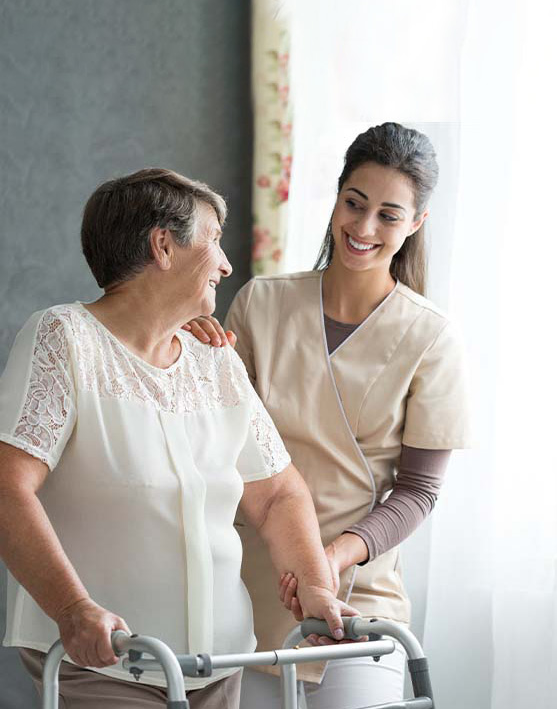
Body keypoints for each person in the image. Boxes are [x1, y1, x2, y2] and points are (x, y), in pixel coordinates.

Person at [0, 169, 356, 709]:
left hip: (220, 667)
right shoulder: (64, 339)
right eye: (213, 240)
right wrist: (73, 608)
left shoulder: (215, 361)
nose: (226, 263)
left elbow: (278, 492)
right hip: (104, 665)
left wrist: (315, 585)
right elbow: (7, 488)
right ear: (163, 246)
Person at [185, 122, 470, 709]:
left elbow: (417, 492)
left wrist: (330, 557)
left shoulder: (431, 338)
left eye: (389, 216)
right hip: (252, 586)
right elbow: (214, 444)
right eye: (354, 204)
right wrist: (190, 353)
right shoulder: (263, 302)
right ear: (337, 197)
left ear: (415, 224)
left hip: (359, 595)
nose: (363, 229)